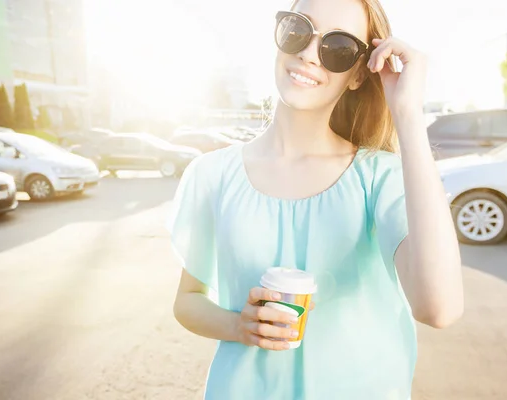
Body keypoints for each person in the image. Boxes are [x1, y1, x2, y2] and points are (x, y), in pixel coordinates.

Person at [168, 0, 464, 398]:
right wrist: (239, 325)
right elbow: (188, 301)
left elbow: (439, 308)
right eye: (298, 30)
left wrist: (408, 115)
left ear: (360, 74)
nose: (308, 53)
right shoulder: (211, 174)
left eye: (338, 47)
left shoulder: (379, 177)